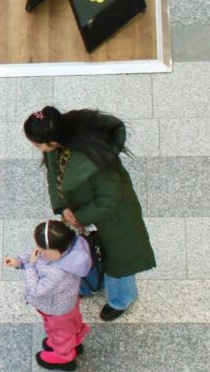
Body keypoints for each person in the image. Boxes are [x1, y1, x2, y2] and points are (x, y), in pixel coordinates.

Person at [24, 106, 155, 321]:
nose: (38, 148)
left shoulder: (97, 160)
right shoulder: (58, 145)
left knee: (119, 262)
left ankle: (121, 299)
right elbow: (54, 176)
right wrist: (62, 207)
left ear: (52, 140)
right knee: (91, 250)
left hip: (115, 217)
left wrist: (78, 218)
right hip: (82, 208)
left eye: (38, 144)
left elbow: (108, 200)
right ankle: (94, 281)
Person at [4, 220, 92, 371]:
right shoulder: (68, 250)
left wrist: (30, 266)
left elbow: (37, 291)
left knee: (58, 332)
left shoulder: (57, 273)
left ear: (56, 249)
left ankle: (64, 356)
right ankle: (75, 339)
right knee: (72, 323)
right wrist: (20, 261)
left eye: (43, 249)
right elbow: (36, 255)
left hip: (56, 311)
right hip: (68, 304)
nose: (39, 251)